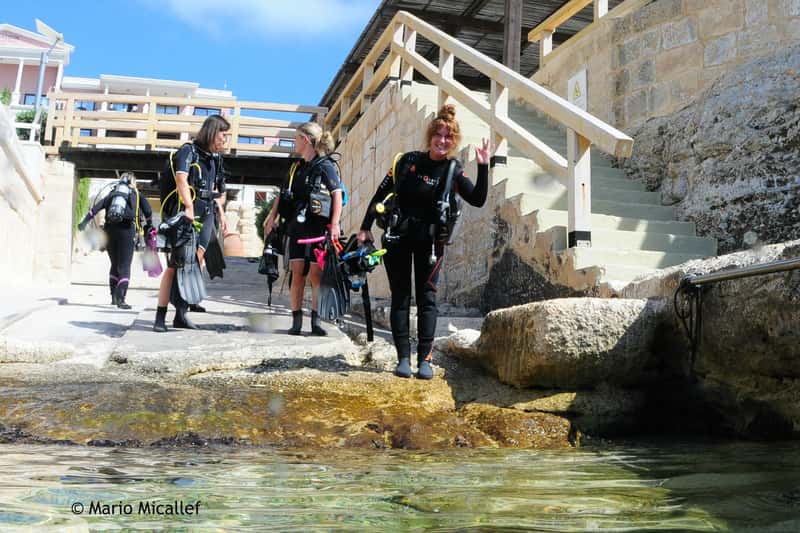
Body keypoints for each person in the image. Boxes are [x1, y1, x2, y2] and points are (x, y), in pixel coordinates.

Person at [358, 104, 492, 380]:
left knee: (427, 300)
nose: (442, 141)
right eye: (438, 135)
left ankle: (425, 360)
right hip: (398, 237)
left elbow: (477, 199)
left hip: (431, 244)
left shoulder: (453, 170)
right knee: (400, 298)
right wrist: (365, 228)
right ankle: (403, 358)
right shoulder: (407, 161)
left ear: (454, 142)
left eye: (448, 138)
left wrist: (483, 166)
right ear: (430, 136)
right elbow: (380, 194)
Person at [262, 122, 344, 336]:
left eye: (296, 138)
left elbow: (337, 194)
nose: (294, 143)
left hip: (318, 228)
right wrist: (272, 217)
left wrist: (334, 224)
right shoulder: (294, 168)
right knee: (297, 274)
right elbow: (282, 194)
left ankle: (315, 323)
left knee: (316, 276)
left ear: (306, 140)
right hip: (296, 229)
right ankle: (296, 322)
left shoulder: (325, 165)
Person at [153, 114, 229, 332]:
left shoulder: (213, 158)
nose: (225, 139)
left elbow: (215, 190)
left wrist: (221, 214)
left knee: (194, 262)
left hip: (206, 215)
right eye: (223, 134)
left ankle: (181, 314)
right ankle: (160, 316)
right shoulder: (188, 150)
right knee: (175, 266)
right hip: (186, 217)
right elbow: (181, 179)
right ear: (213, 132)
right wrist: (188, 207)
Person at [77, 171, 153, 309]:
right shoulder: (136, 194)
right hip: (126, 230)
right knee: (124, 265)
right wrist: (149, 226)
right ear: (132, 182)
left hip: (110, 231)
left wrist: (83, 223)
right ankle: (121, 299)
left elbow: (95, 208)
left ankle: (113, 297)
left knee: (114, 264)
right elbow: (148, 211)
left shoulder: (111, 195)